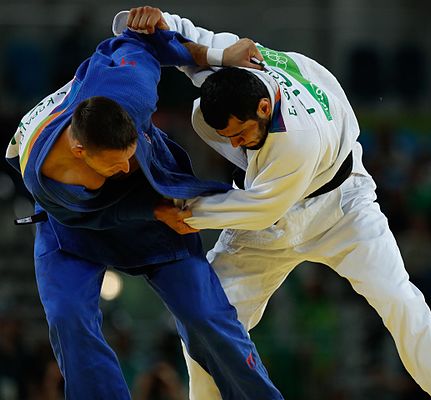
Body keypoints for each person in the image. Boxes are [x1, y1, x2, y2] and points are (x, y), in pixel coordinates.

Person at [116, 7, 431, 400]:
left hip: (341, 208)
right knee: (204, 321)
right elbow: (184, 36)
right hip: (271, 206)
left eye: (240, 133)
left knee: (401, 304)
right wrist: (145, 19)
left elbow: (263, 208)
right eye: (227, 136)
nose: (234, 143)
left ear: (264, 109)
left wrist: (187, 214)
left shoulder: (296, 138)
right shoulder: (236, 63)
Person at [5, 11, 283, 400]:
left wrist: (217, 56)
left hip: (153, 194)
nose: (123, 167)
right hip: (74, 224)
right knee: (69, 318)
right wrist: (152, 211)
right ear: (80, 152)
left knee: (206, 316)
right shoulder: (44, 174)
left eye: (129, 154)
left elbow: (143, 41)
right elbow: (99, 212)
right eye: (114, 164)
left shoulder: (129, 90)